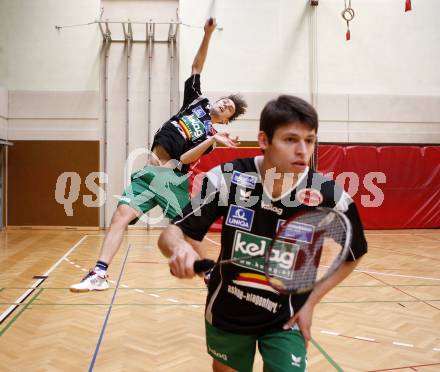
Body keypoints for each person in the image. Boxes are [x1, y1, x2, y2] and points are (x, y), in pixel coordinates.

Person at [158, 95, 368, 372]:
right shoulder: (228, 177)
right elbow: (172, 232)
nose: (302, 150)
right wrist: (180, 249)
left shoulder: (329, 194)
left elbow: (355, 252)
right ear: (264, 140)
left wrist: (311, 302)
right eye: (291, 139)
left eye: (309, 140)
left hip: (287, 317)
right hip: (228, 310)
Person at [70, 18, 247, 292]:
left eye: (229, 109)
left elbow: (187, 159)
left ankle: (214, 275)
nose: (225, 104)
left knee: (188, 234)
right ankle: (99, 274)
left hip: (171, 179)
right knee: (120, 216)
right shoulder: (196, 102)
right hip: (147, 174)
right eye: (225, 100)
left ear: (225, 121)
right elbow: (196, 66)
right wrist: (207, 35)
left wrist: (213, 138)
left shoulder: (212, 135)